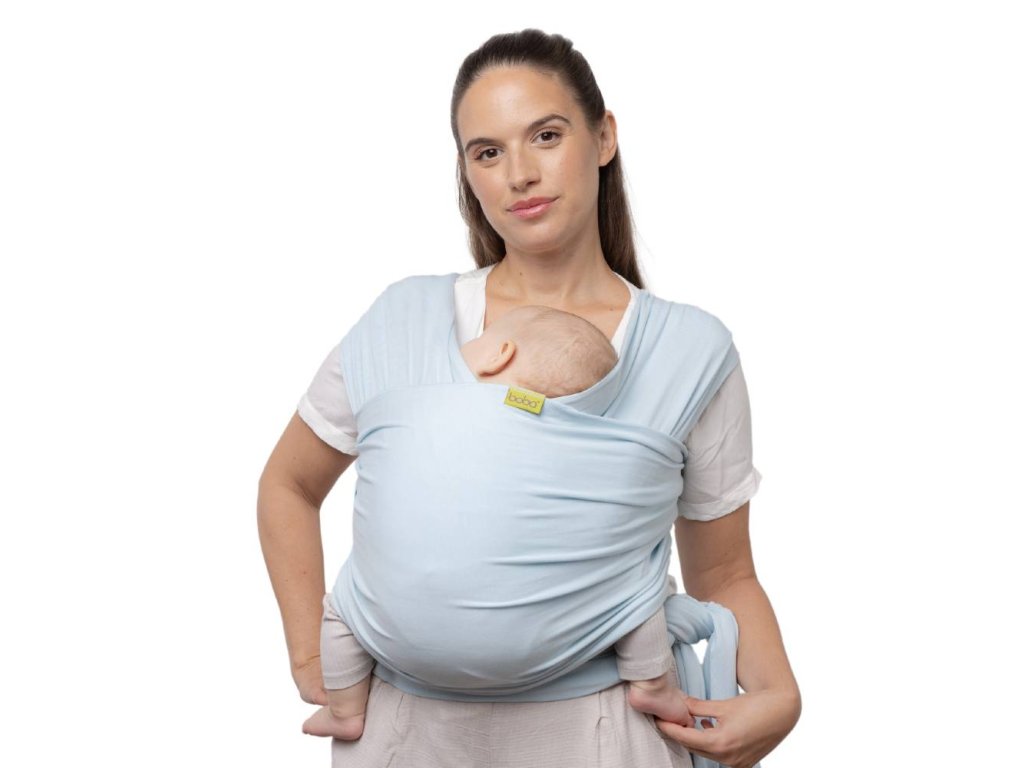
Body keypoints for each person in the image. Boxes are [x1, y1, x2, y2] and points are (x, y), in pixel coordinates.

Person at [257, 28, 800, 768]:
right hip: (406, 736)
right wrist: (309, 656)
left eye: (546, 135)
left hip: (603, 735)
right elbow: (289, 484)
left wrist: (779, 695)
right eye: (487, 152)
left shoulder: (688, 353)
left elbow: (725, 573)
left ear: (603, 137)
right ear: (467, 173)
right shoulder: (399, 321)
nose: (519, 174)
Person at [300, 303, 696, 741]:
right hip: (543, 652)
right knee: (634, 591)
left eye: (474, 344)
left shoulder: (425, 404)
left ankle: (346, 709)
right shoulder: (589, 442)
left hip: (396, 633)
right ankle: (651, 685)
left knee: (341, 610)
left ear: (499, 354)